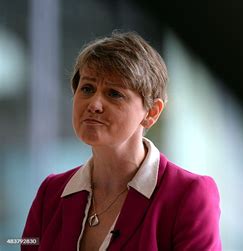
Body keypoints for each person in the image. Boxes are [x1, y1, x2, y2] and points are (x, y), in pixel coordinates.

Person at [22, 31, 222, 250]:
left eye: (114, 93)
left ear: (151, 112)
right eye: (87, 89)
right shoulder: (50, 192)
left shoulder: (189, 195)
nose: (94, 104)